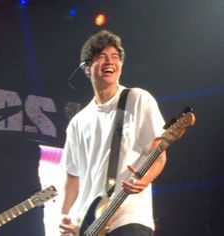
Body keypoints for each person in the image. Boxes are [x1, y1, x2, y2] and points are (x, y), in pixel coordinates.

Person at [59, 29, 167, 236]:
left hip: (128, 216)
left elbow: (159, 150)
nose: (110, 62)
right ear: (87, 68)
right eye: (102, 57)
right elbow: (72, 176)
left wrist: (146, 179)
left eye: (115, 57)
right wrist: (65, 216)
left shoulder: (137, 98)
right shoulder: (77, 122)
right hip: (88, 224)